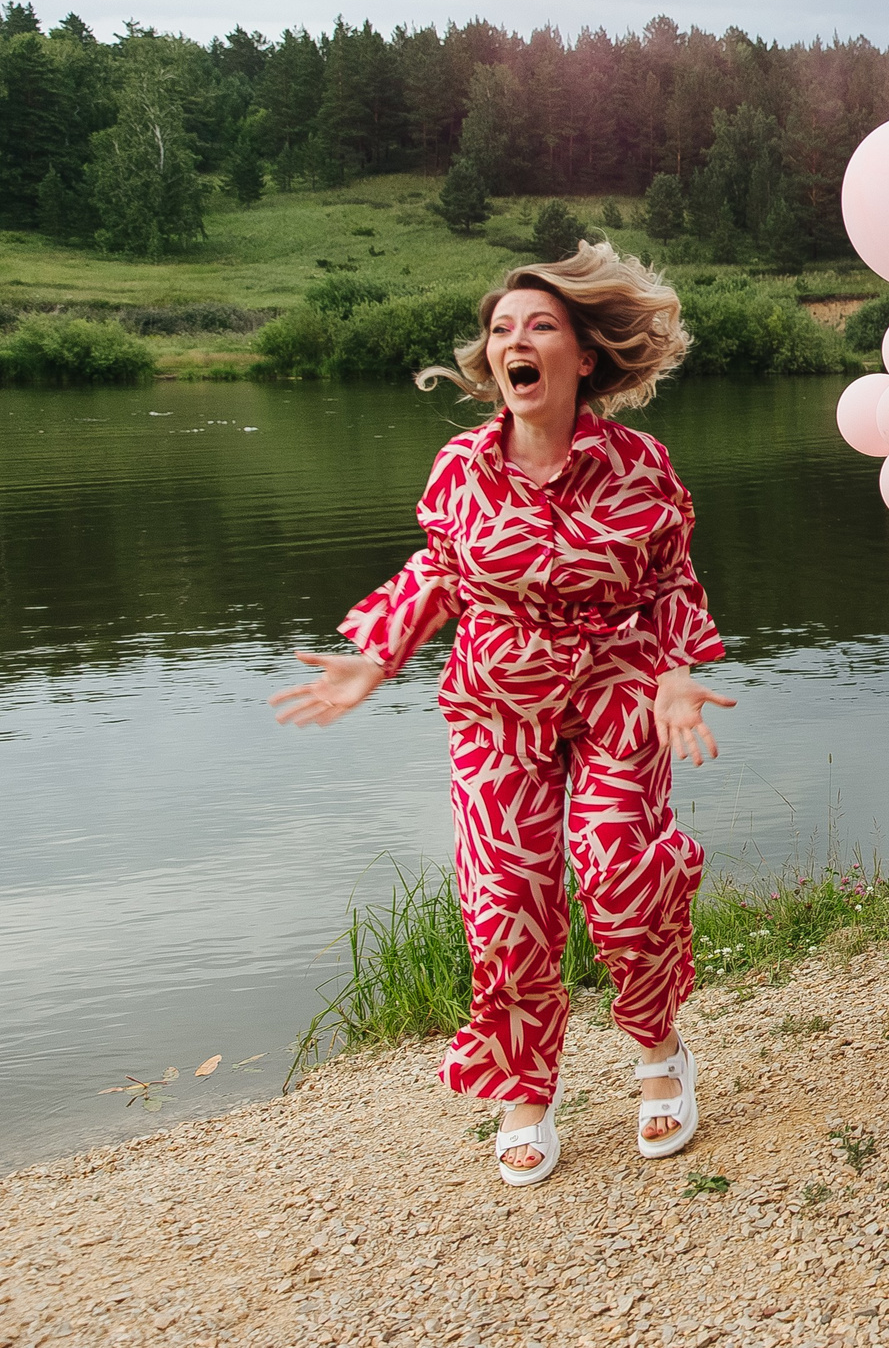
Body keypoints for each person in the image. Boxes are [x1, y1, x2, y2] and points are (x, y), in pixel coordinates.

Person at [269, 242, 734, 1187]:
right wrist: (374, 656)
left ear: (583, 357)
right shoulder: (461, 467)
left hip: (615, 687)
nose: (514, 342)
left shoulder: (639, 465)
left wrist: (678, 673)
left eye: (539, 327)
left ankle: (657, 1046)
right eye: (500, 330)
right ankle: (526, 1088)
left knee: (615, 869)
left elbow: (672, 577)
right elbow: (436, 572)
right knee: (505, 905)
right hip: (496, 704)